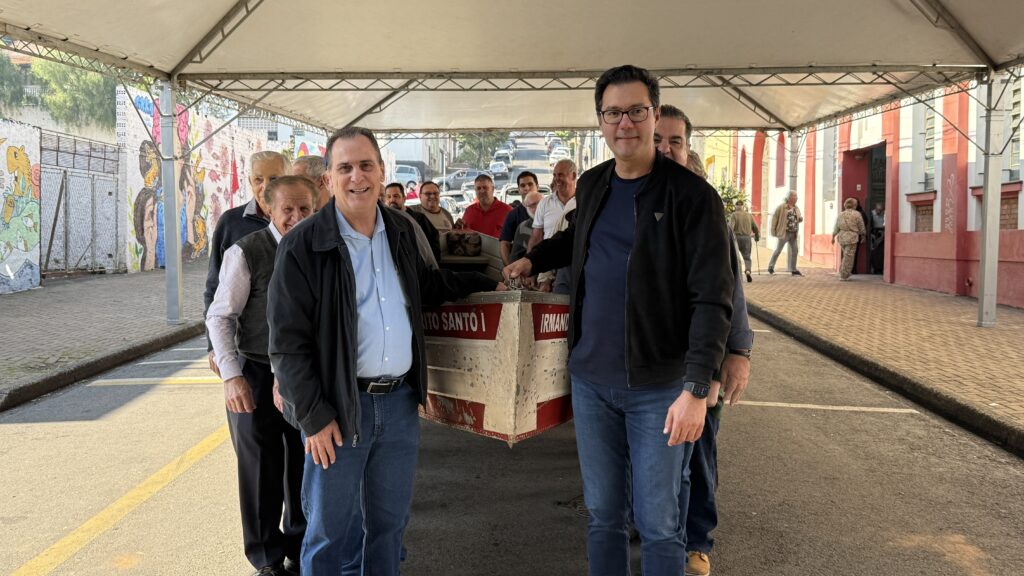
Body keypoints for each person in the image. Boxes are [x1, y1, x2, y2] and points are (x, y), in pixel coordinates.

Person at [506, 65, 734, 576]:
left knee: (660, 522)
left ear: (654, 115)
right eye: (613, 113)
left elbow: (712, 300)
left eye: (636, 111)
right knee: (603, 516)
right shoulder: (594, 184)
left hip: (661, 387)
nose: (624, 123)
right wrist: (532, 259)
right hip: (592, 382)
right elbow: (578, 239)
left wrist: (697, 388)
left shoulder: (692, 198)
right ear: (600, 121)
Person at [268, 127, 502, 575]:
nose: (357, 177)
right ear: (329, 180)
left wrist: (489, 281)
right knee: (329, 534)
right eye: (345, 168)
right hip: (337, 410)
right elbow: (287, 345)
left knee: (389, 530)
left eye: (366, 165)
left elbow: (430, 287)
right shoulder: (303, 245)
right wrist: (314, 417)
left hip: (397, 406)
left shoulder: (400, 229)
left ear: (382, 170)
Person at [655, 105, 753, 576]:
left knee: (698, 458)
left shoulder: (705, 205)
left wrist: (739, 352)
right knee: (655, 458)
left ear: (688, 148)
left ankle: (696, 542)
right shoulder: (628, 201)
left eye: (675, 140)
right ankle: (660, 531)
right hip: (647, 365)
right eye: (658, 140)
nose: (666, 148)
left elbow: (731, 288)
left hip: (701, 364)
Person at [206, 175, 317, 576]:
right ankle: (267, 559)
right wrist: (232, 376)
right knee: (259, 469)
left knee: (304, 466)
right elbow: (219, 316)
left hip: (302, 374)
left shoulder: (317, 249)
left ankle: (303, 548)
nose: (296, 216)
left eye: (305, 208)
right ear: (269, 208)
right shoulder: (246, 251)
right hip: (254, 370)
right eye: (288, 208)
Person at [205, 151, 290, 374]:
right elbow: (214, 287)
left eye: (274, 179)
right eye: (258, 180)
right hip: (250, 355)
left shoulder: (300, 221)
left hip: (292, 357)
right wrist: (214, 346)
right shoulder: (231, 223)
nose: (265, 186)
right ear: (249, 181)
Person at [385, 182, 441, 263]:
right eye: (388, 197)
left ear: (404, 198)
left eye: (396, 196)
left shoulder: (418, 219)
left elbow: (432, 245)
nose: (392, 200)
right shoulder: (384, 220)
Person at [499, 171, 540, 265]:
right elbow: (504, 244)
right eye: (522, 185)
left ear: (537, 187)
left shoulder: (548, 211)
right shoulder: (512, 215)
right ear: (519, 190)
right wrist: (510, 269)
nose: (527, 188)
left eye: (530, 184)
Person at [767, 192, 803, 276]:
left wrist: (800, 219)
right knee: (778, 250)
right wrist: (773, 231)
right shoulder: (782, 207)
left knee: (795, 250)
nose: (797, 198)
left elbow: (798, 217)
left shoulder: (796, 208)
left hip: (793, 233)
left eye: (796, 196)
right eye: (795, 196)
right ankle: (771, 267)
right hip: (784, 233)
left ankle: (793, 269)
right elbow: (774, 218)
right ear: (790, 197)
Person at [832, 197, 868, 281]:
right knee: (849, 257)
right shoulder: (857, 214)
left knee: (846, 256)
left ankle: (844, 272)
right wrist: (863, 235)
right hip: (852, 238)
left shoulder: (840, 214)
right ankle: (844, 275)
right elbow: (861, 226)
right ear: (854, 205)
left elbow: (836, 227)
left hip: (842, 237)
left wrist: (833, 236)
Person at [509, 191, 544, 264]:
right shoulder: (523, 226)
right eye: (532, 206)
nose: (538, 207)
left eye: (541, 203)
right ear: (526, 208)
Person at [729, 200, 759, 283]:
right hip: (747, 238)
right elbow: (755, 227)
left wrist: (728, 238)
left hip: (736, 238)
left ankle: (737, 276)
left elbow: (731, 228)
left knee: (735, 257)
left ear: (735, 206)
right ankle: (748, 271)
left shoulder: (734, 215)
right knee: (747, 257)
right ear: (743, 206)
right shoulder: (749, 215)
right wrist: (757, 236)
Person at [870, 202, 885, 273]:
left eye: (880, 210)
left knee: (881, 251)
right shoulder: (871, 213)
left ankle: (880, 268)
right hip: (874, 233)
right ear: (875, 208)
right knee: (874, 251)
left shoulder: (884, 213)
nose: (879, 212)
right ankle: (875, 268)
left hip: (882, 232)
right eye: (878, 210)